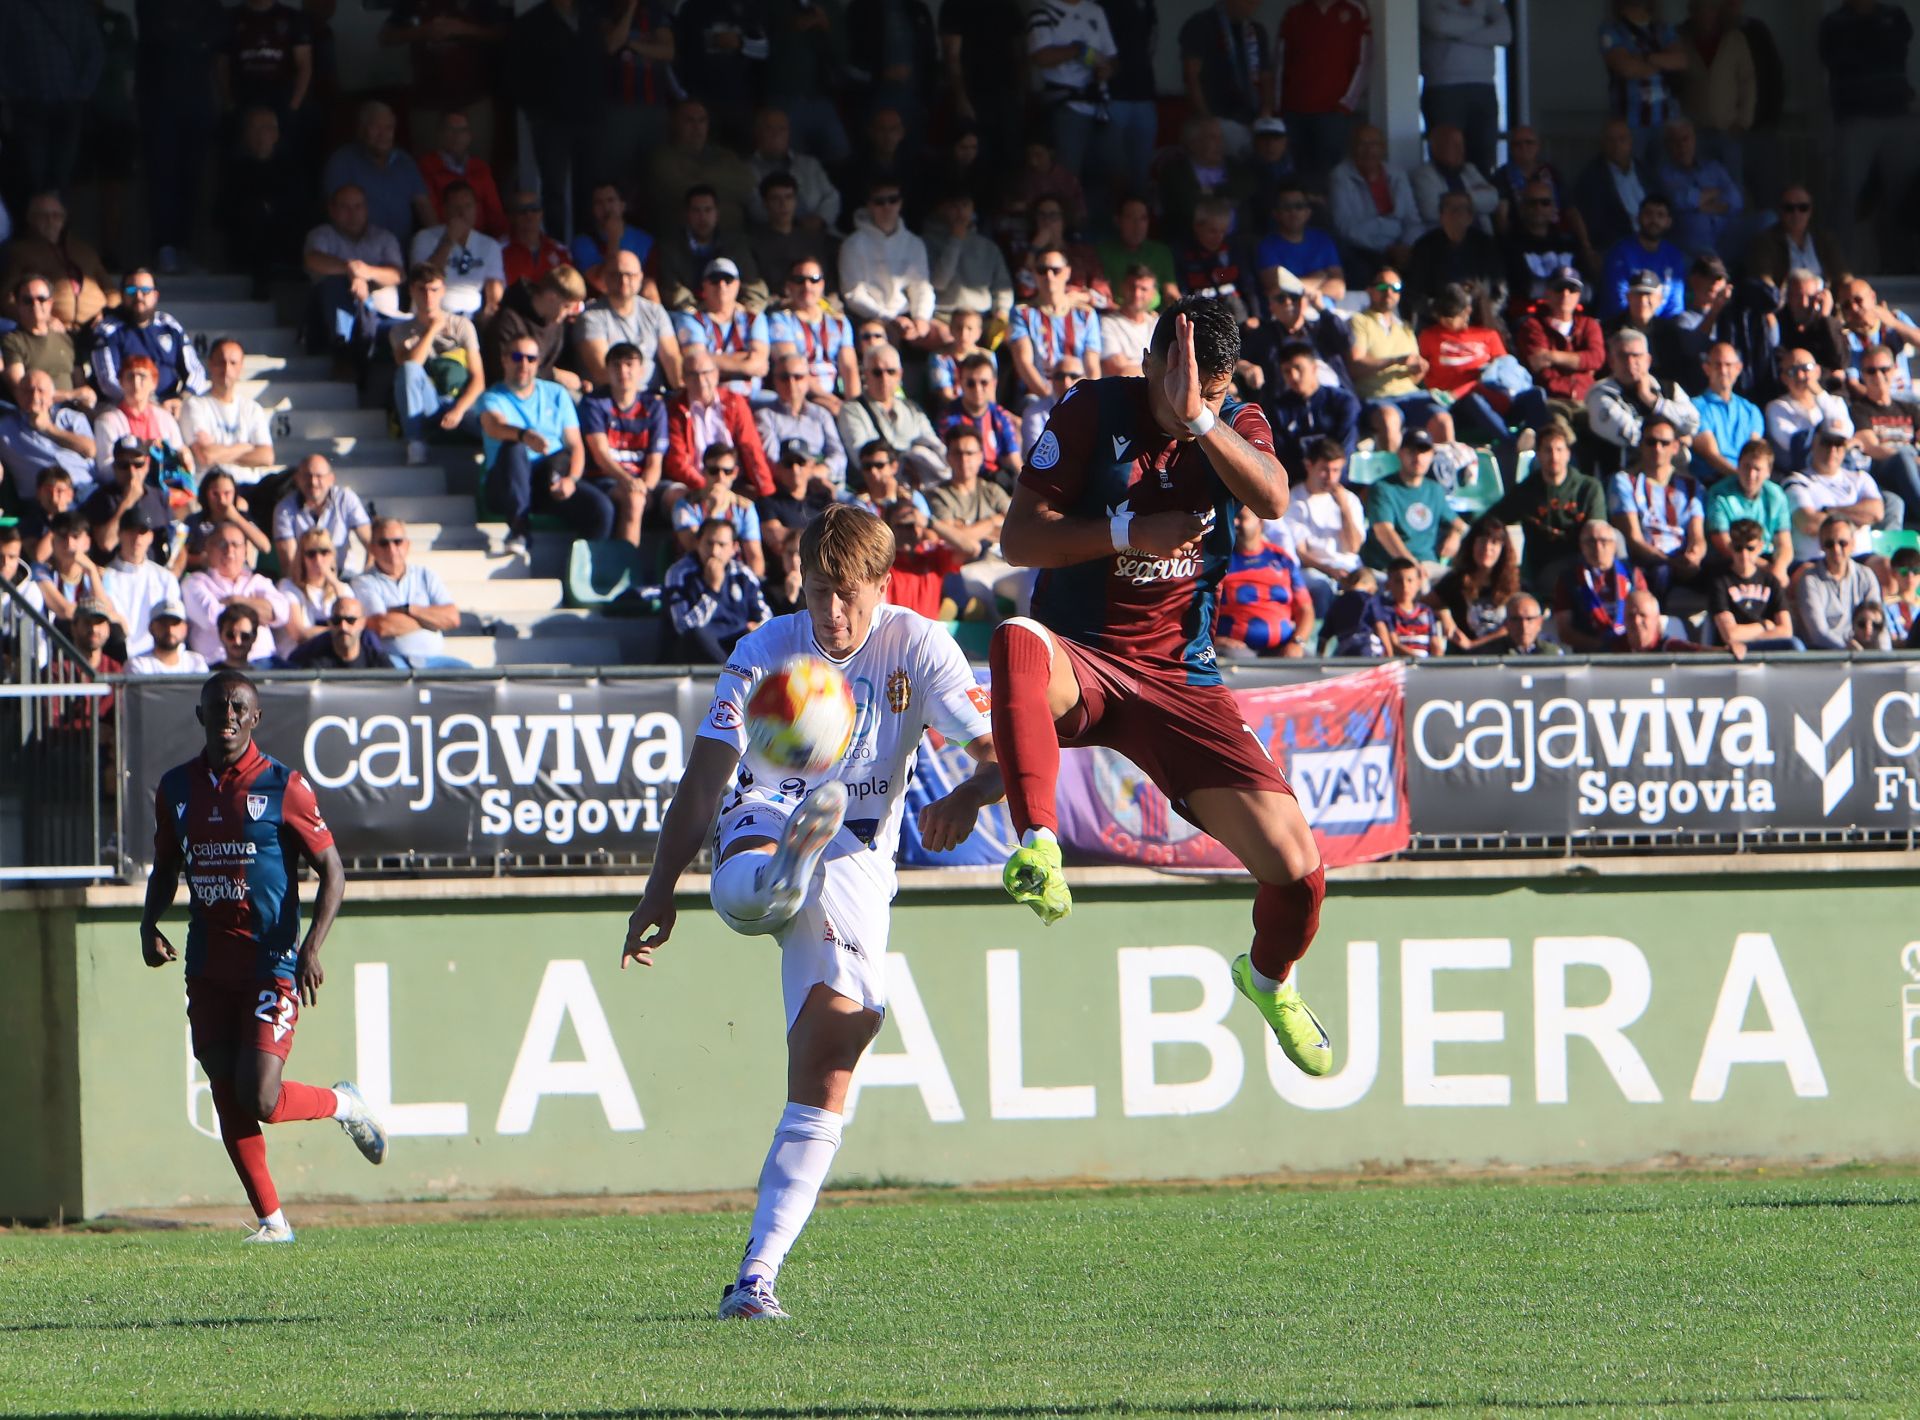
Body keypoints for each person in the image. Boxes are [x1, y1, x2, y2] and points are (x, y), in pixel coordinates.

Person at [623, 503, 999, 1320]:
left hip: (858, 852)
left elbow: (1003, 752)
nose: (834, 613)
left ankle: (755, 1277)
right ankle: (781, 870)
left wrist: (971, 794)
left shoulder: (918, 642)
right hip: (768, 813)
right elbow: (706, 775)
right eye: (820, 591)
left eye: (849, 595)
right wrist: (659, 886)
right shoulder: (764, 652)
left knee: (833, 1061)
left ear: (881, 584)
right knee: (754, 882)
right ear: (802, 581)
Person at [990, 298, 1334, 1078]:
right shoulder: (1090, 408)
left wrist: (1203, 420)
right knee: (1015, 640)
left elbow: (1275, 500)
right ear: (1146, 363)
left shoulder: (1234, 422)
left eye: (1210, 395)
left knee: (1300, 871)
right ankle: (1039, 843)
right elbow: (1018, 538)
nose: (1189, 411)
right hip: (1083, 656)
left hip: (1182, 680)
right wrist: (1123, 535)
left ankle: (1269, 979)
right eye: (1177, 391)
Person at [140, 671, 387, 1245]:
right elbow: (166, 866)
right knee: (225, 1088)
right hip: (207, 965)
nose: (227, 715)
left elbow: (333, 872)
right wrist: (149, 922)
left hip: (270, 962)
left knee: (261, 1096)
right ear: (200, 716)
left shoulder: (284, 786)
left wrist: (311, 948)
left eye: (238, 707)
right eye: (217, 707)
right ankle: (272, 1221)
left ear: (255, 719)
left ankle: (341, 1104)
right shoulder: (176, 787)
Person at [478, 337, 613, 553]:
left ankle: (582, 572)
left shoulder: (557, 393)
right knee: (514, 447)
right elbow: (494, 426)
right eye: (516, 357)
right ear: (504, 360)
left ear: (538, 363)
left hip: (546, 480)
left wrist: (572, 479)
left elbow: (575, 446)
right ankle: (519, 530)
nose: (524, 364)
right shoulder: (492, 397)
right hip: (505, 484)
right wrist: (524, 436)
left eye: (531, 359)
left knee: (601, 508)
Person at [1819, 0, 1917, 271]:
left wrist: (1867, 47)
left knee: (1904, 198)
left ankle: (1902, 268)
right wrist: (1870, 46)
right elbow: (1841, 60)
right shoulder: (1834, 23)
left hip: (1898, 117)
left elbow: (1898, 48)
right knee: (1845, 197)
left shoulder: (1894, 15)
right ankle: (1839, 270)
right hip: (1856, 120)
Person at [389, 263, 486, 465]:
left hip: (460, 402)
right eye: (421, 290)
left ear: (443, 291)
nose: (428, 296)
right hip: (427, 402)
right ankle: (415, 443)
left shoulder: (461, 325)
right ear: (412, 291)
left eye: (434, 289)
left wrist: (458, 410)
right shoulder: (400, 331)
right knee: (408, 370)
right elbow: (410, 366)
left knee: (493, 427)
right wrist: (432, 330)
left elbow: (478, 379)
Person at [302, 185, 405, 362]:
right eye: (345, 207)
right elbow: (312, 260)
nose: (352, 213)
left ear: (366, 209)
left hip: (379, 313)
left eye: (358, 206)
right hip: (330, 315)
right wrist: (350, 270)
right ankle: (342, 348)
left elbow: (398, 275)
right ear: (332, 210)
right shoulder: (322, 234)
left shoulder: (383, 237)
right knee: (333, 285)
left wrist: (366, 273)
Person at [1608, 414, 1707, 598]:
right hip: (1647, 562)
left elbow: (1698, 536)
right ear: (1641, 444)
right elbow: (1634, 540)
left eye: (1664, 443)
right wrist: (1670, 562)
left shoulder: (1692, 486)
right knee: (1661, 572)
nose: (1658, 449)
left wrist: (1695, 555)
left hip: (1683, 560)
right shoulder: (1624, 482)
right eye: (1651, 442)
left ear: (1675, 446)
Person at [579, 343, 667, 547]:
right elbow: (601, 455)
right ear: (607, 370)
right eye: (616, 365)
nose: (623, 371)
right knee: (634, 500)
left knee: (679, 498)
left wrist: (644, 488)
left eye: (629, 364)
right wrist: (629, 482)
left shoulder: (654, 406)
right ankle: (628, 568)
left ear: (641, 370)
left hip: (643, 483)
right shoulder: (594, 403)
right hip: (606, 478)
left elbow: (655, 462)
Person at [1276, 0, 1372, 186]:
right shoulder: (1294, 13)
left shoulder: (1355, 10)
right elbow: (1280, 62)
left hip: (1332, 112)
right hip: (1293, 111)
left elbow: (1364, 61)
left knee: (1329, 178)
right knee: (1294, 174)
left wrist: (1346, 104)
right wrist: (1277, 106)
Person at [349, 518, 465, 668]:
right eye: (384, 543)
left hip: (436, 660)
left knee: (474, 678)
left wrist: (409, 610)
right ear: (372, 548)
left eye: (397, 542)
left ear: (407, 545)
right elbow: (382, 626)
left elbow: (452, 618)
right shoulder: (363, 582)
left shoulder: (425, 575)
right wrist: (432, 621)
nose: (391, 549)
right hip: (394, 661)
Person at [1586, 327, 1699, 473]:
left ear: (1648, 360)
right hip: (1623, 479)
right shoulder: (1600, 394)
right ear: (1612, 362)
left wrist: (1652, 400)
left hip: (1672, 479)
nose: (1630, 362)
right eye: (1623, 356)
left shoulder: (1670, 388)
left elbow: (1693, 422)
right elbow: (1631, 436)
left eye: (1636, 356)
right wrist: (1677, 437)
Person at [665, 348, 775, 497]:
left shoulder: (735, 403)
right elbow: (677, 461)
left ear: (716, 375)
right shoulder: (676, 409)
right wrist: (708, 489)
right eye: (693, 375)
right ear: (683, 378)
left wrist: (767, 493)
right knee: (676, 496)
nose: (701, 380)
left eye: (706, 373)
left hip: (732, 480)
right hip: (693, 484)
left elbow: (751, 449)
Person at [91, 269, 209, 408]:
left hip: (170, 405)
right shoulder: (108, 330)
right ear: (122, 295)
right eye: (131, 290)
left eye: (145, 290)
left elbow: (196, 371)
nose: (139, 295)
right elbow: (107, 382)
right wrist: (146, 405)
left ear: (155, 295)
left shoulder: (169, 325)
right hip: (125, 408)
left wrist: (181, 398)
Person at [838, 182, 936, 348]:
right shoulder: (853, 244)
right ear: (869, 205)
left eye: (893, 200)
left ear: (901, 203)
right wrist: (889, 319)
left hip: (907, 316)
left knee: (943, 335)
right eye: (879, 201)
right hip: (869, 316)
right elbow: (853, 294)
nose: (887, 206)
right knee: (882, 336)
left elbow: (922, 287)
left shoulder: (914, 243)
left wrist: (921, 318)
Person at [1348, 269, 1434, 453]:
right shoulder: (1359, 321)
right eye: (1382, 287)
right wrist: (1395, 360)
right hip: (1378, 397)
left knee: (1442, 419)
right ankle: (1394, 478)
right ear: (1370, 290)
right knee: (1389, 419)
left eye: (1395, 288)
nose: (1389, 293)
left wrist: (1420, 370)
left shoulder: (1406, 328)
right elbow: (1355, 366)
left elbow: (1413, 380)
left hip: (1410, 395)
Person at [1420, 0, 1509, 175]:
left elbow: (1505, 34)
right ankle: (1450, 201)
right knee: (1445, 157)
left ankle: (1480, 200)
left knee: (1484, 159)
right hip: (1443, 85)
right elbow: (1439, 24)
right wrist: (1483, 24)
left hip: (1485, 86)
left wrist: (1456, 34)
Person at [1278, 437, 1365, 617]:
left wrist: (1344, 509)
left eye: (1336, 470)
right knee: (1322, 587)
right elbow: (1300, 552)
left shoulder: (1349, 500)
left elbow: (1354, 547)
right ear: (1309, 465)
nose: (1331, 477)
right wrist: (1329, 570)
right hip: (1314, 570)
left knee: (1371, 585)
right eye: (1325, 470)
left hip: (1349, 567)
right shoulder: (1294, 499)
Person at [836, 345, 946, 488]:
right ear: (865, 374)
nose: (884, 378)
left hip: (921, 487)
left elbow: (935, 446)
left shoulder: (912, 409)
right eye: (877, 372)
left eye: (891, 372)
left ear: (900, 375)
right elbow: (863, 459)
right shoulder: (851, 410)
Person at [573, 248, 681, 392]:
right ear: (605, 277)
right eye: (616, 275)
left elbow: (672, 358)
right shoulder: (590, 317)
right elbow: (602, 372)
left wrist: (682, 392)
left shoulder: (655, 312)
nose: (624, 281)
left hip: (654, 399)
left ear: (640, 277)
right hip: (609, 400)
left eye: (630, 275)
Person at [662, 516, 769, 662]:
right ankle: (729, 673)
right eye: (709, 543)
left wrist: (757, 628)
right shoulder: (679, 573)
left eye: (722, 545)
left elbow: (765, 615)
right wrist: (713, 591)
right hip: (701, 647)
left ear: (734, 548)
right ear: (698, 543)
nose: (714, 551)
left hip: (735, 643)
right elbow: (683, 627)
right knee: (695, 635)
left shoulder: (743, 574)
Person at [1008, 248, 1102, 406]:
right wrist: (1052, 398)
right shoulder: (1022, 313)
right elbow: (1024, 362)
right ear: (1034, 274)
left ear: (1067, 272)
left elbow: (1092, 367)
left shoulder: (1085, 315)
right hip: (1038, 396)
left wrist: (1088, 398)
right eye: (1042, 270)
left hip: (1080, 396)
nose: (1049, 276)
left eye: (1055, 270)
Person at [183, 524, 289, 663]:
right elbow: (211, 617)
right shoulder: (194, 582)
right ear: (208, 548)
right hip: (219, 664)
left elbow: (281, 613)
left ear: (245, 551)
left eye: (236, 544)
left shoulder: (258, 581)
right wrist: (259, 610)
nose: (229, 550)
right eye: (222, 544)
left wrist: (235, 600)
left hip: (264, 659)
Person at [1216, 505, 1312, 658]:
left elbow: (1305, 608)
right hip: (1237, 649)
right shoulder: (1219, 561)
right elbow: (1200, 608)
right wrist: (1217, 640)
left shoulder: (1281, 558)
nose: (1235, 522)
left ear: (1260, 522)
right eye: (1232, 518)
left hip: (1283, 646)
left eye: (1241, 518)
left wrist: (1297, 642)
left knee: (1307, 662)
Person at [1327, 125, 1420, 276]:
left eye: (1374, 144)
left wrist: (1406, 245)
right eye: (1363, 144)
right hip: (1362, 248)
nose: (1369, 150)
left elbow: (1412, 219)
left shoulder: (1397, 174)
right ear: (1352, 148)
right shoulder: (1341, 176)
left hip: (1400, 247)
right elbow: (1344, 227)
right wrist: (1386, 248)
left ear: (1383, 148)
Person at [1784, 423, 1884, 563]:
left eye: (1838, 444)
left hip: (1859, 558)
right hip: (1815, 561)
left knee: (1885, 567)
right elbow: (1809, 523)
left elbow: (1876, 512)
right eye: (1826, 443)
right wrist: (1856, 519)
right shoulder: (1796, 481)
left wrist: (1829, 511)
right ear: (1814, 444)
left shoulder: (1861, 478)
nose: (1832, 450)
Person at [1511, 266, 1606, 412]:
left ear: (1579, 296)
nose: (1565, 294)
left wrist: (1552, 356)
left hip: (1587, 399)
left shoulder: (1590, 325)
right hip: (1552, 401)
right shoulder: (1532, 326)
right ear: (1547, 293)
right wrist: (1581, 364)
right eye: (1559, 288)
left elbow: (1596, 358)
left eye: (1571, 289)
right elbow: (1538, 365)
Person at [180, 339, 275, 485]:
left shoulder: (252, 409)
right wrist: (245, 447)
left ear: (241, 367)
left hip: (249, 487)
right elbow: (206, 456)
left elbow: (266, 457)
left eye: (233, 363)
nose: (226, 369)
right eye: (221, 362)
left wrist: (221, 453)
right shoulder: (194, 405)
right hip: (212, 488)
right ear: (210, 364)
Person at [673, 258, 771, 398]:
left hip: (752, 396)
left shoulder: (754, 318)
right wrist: (746, 364)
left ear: (737, 284)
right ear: (704, 286)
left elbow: (760, 364)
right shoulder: (691, 318)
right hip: (709, 395)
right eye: (714, 280)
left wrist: (712, 360)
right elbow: (696, 364)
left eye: (728, 279)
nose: (721, 285)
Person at [768, 260, 858, 409]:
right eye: (799, 280)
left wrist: (854, 407)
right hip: (800, 397)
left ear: (822, 284)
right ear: (789, 286)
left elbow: (849, 368)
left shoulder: (840, 322)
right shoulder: (780, 320)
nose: (807, 286)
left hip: (837, 397)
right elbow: (792, 369)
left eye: (814, 280)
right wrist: (833, 402)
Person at [408, 180, 504, 319]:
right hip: (432, 315)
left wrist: (490, 315)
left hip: (472, 319)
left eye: (467, 206)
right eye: (455, 207)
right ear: (445, 210)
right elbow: (423, 278)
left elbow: (494, 292)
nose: (462, 213)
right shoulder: (424, 238)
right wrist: (449, 240)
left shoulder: (490, 245)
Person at [1571, 118, 1661, 259]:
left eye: (1622, 139)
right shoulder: (1592, 177)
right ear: (1603, 144)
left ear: (1630, 142)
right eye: (1610, 140)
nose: (1617, 145)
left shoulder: (1645, 171)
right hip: (1616, 247)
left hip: (1654, 242)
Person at [1263, 339, 1361, 470]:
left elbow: (1345, 447)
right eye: (1287, 371)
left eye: (1298, 368)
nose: (1294, 377)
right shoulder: (1278, 409)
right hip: (1299, 484)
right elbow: (1282, 453)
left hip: (1339, 478)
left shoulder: (1343, 402)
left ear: (1314, 368)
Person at [485, 263, 587, 388]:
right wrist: (555, 375)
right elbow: (504, 372)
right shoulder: (508, 321)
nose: (566, 314)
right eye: (566, 307)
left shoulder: (556, 324)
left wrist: (579, 383)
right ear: (551, 297)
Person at [0, 368, 97, 499]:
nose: (34, 396)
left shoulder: (71, 418)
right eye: (28, 391)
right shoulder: (6, 429)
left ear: (52, 397)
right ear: (18, 396)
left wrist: (49, 428)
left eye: (41, 391)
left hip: (85, 490)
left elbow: (90, 450)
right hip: (44, 501)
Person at [1703, 437, 1793, 576]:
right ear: (1738, 466)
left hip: (1766, 558)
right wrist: (1766, 568)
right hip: (1732, 560)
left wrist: (1779, 568)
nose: (1751, 475)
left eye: (1757, 469)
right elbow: (1722, 543)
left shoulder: (1776, 495)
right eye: (1746, 467)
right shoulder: (1719, 494)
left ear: (1768, 472)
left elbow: (1785, 544)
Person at [1706, 519, 1800, 651]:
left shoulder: (1771, 581)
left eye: (1750, 548)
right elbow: (1730, 635)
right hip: (1734, 651)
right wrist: (1764, 626)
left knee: (1794, 645)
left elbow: (1786, 630)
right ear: (1731, 547)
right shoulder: (1721, 581)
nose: (1744, 555)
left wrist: (1748, 635)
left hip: (1764, 645)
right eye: (1738, 548)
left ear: (1760, 547)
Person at [1655, 117, 1743, 257]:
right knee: (1696, 225)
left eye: (1685, 139)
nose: (1681, 146)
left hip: (1727, 231)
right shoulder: (1665, 174)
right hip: (1696, 240)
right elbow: (1679, 201)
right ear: (1667, 146)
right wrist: (1717, 194)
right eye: (1675, 141)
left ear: (1694, 140)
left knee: (1768, 219)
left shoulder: (1713, 167)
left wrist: (1700, 205)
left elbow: (1736, 200)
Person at [673, 445, 767, 577]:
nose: (720, 477)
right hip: (694, 576)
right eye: (714, 471)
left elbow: (754, 556)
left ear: (735, 473)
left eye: (727, 471)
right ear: (703, 471)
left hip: (734, 577)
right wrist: (713, 512)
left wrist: (754, 585)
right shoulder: (685, 506)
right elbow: (694, 548)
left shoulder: (745, 508)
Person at [415, 110, 509, 239]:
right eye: (450, 129)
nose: (457, 136)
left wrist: (501, 241)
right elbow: (431, 216)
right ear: (440, 134)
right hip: (445, 240)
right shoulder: (427, 167)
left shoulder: (481, 167)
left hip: (481, 239)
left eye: (462, 130)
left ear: (469, 135)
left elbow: (495, 213)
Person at [271, 455, 373, 575]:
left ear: (331, 479)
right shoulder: (284, 509)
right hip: (304, 578)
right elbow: (289, 561)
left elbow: (371, 542)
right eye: (307, 476)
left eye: (319, 476)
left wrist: (369, 574)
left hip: (342, 575)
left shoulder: (346, 499)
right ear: (297, 479)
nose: (313, 482)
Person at [756, 355, 847, 488]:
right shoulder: (765, 416)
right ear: (775, 380)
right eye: (784, 378)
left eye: (798, 377)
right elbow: (772, 460)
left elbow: (839, 454)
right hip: (786, 485)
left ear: (808, 380)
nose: (791, 383)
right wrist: (803, 474)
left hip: (822, 481)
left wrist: (823, 469)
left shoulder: (821, 414)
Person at [1553, 519, 1644, 652]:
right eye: (1590, 542)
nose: (1597, 547)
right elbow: (1565, 631)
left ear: (1614, 545)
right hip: (1589, 655)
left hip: (1630, 651)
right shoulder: (1568, 579)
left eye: (1604, 541)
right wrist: (1601, 646)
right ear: (1581, 546)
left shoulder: (1633, 575)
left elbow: (1646, 614)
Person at [1851, 348, 1920, 523]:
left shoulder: (1909, 408)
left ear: (1894, 370)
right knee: (1903, 455)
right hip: (1882, 470)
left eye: (1884, 369)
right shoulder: (1859, 410)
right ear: (1863, 375)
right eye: (1871, 371)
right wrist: (1909, 456)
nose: (1878, 376)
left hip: (1913, 468)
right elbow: (1872, 448)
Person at [1405, 191, 1502, 314]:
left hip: (1480, 317)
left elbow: (1500, 290)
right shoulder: (1424, 247)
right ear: (1441, 215)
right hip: (1440, 318)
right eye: (1451, 209)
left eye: (1462, 209)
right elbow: (1415, 294)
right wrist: (1442, 313)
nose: (1456, 214)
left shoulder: (1485, 244)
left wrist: (1487, 311)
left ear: (1470, 216)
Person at [1432, 517, 1520, 650]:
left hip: (1503, 657)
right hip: (1462, 662)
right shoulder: (1455, 581)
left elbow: (1517, 624)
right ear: (1472, 545)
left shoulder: (1515, 584)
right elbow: (1423, 604)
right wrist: (1444, 615)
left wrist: (1473, 645)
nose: (1487, 548)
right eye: (1482, 541)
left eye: (1494, 543)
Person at [1795, 516, 1882, 650]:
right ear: (1821, 545)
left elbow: (1878, 623)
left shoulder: (1866, 576)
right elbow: (1817, 633)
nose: (1836, 549)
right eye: (1829, 544)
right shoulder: (1810, 580)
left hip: (1861, 652)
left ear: (1853, 543)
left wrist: (1885, 657)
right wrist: (1848, 650)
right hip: (1824, 656)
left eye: (1842, 543)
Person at [1255, 181, 1344, 310]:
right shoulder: (1267, 246)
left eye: (1299, 206)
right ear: (1276, 213)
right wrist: (1319, 278)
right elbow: (1276, 291)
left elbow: (1339, 289)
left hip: (1325, 316)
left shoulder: (1323, 240)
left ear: (1308, 212)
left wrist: (1294, 286)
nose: (1293, 212)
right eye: (1286, 207)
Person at [102, 511, 180, 659]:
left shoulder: (165, 578)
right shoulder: (105, 576)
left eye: (142, 532)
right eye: (131, 531)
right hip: (118, 658)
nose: (137, 538)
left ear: (150, 537)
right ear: (119, 534)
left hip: (157, 659)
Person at [3, 276, 90, 408]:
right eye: (28, 301)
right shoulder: (12, 341)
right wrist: (71, 395)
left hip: (74, 414)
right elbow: (21, 391)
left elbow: (80, 384)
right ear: (19, 305)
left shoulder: (67, 339)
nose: (35, 305)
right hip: (37, 412)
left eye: (41, 299)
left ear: (50, 303)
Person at [941, 354, 1024, 486]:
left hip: (997, 482)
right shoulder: (950, 419)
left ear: (993, 384)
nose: (978, 389)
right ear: (961, 383)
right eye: (970, 383)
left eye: (984, 383)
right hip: (967, 482)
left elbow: (1014, 461)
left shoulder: (1000, 415)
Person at [1686, 341, 1764, 480]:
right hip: (1711, 482)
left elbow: (1754, 453)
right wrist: (1741, 478)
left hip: (1747, 480)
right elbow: (1711, 455)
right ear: (1706, 368)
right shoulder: (1695, 407)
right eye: (1717, 365)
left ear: (1738, 368)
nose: (1723, 370)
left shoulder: (1751, 410)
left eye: (1728, 365)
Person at [1766, 349, 1851, 474]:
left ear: (1817, 371)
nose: (1800, 376)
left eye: (1806, 368)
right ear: (1784, 378)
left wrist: (1819, 394)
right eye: (1792, 371)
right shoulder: (1776, 408)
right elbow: (1797, 444)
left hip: (1840, 473)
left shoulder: (1836, 402)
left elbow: (1844, 433)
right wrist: (1831, 431)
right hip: (1802, 477)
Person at [1745, 186, 1845, 291]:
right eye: (1789, 208)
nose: (1796, 214)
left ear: (1810, 211)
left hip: (1825, 300)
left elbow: (1842, 274)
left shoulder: (1824, 239)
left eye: (1803, 208)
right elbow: (1764, 280)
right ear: (1781, 211)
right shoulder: (1765, 242)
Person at [1601, 196, 1685, 318]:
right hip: (1622, 326)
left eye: (1660, 215)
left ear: (1668, 222)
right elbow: (1616, 302)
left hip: (1660, 329)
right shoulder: (1620, 252)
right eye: (1648, 214)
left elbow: (1675, 306)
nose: (1654, 220)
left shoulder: (1674, 256)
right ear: (1638, 217)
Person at [1411, 124, 1500, 234]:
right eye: (1454, 145)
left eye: (1462, 144)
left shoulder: (1469, 169)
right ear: (1435, 148)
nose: (1461, 150)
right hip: (1446, 242)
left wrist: (1457, 199)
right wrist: (1476, 198)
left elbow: (1493, 199)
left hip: (1483, 238)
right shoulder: (1423, 175)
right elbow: (1431, 211)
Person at [1096, 196, 1180, 313]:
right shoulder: (1103, 252)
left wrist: (1180, 313)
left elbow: (1171, 292)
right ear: (1118, 220)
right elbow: (1100, 295)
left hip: (1154, 319)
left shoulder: (1161, 252)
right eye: (1130, 218)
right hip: (1115, 318)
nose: (1137, 225)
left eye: (1143, 218)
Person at [275, 527, 349, 658]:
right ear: (302, 558)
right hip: (298, 658)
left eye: (324, 552)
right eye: (311, 554)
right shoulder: (288, 586)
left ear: (333, 555)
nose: (318, 560)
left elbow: (352, 623)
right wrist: (340, 632)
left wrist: (334, 583)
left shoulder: (343, 589)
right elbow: (299, 634)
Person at [1840, 278, 1920, 399]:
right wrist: (1882, 401)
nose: (1854, 308)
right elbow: (1854, 384)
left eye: (1858, 300)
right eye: (1847, 305)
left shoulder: (1895, 318)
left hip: (1906, 398)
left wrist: (1894, 324)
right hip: (1871, 404)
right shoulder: (1846, 337)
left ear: (1872, 297)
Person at [757, 438, 838, 557]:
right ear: (778, 468)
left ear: (811, 465)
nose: (795, 470)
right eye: (788, 464)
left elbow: (837, 535)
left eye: (801, 462)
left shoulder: (823, 498)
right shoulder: (768, 502)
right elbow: (778, 543)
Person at [569, 182, 653, 294]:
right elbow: (603, 284)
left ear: (622, 205)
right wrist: (613, 238)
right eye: (599, 203)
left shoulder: (644, 240)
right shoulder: (582, 243)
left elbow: (650, 285)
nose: (606, 208)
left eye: (611, 200)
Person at [287, 595, 396, 670]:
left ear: (362, 623)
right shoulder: (315, 662)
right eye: (336, 621)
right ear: (329, 624)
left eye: (350, 620)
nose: (343, 627)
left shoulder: (376, 660)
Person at [1367, 556, 1447, 658]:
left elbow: (1434, 642)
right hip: (1402, 661)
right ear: (1388, 584)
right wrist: (1417, 659)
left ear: (1418, 583)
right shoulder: (1386, 611)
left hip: (1426, 664)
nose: (1404, 586)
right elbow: (1394, 643)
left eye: (1410, 580)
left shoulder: (1425, 611)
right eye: (1398, 581)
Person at [500, 190, 570, 286]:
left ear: (541, 213)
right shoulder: (498, 251)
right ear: (510, 216)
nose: (529, 215)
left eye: (534, 209)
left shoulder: (560, 251)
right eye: (522, 210)